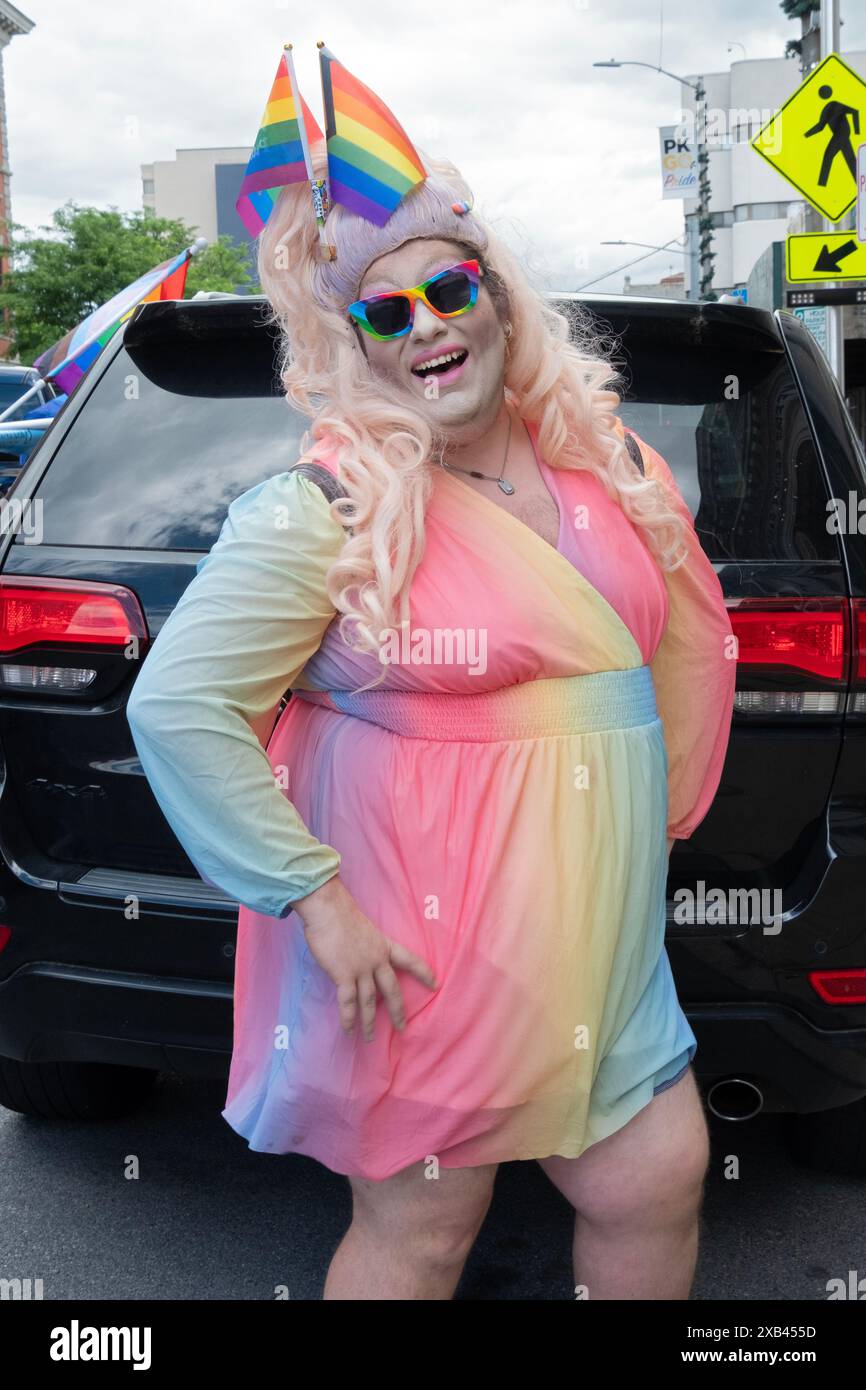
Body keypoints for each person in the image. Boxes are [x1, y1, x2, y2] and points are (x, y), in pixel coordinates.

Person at [125, 138, 736, 1301]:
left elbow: (680, 641)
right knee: (424, 1227)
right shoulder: (331, 505)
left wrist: (656, 816)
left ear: (497, 299)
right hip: (425, 937)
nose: (423, 326)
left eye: (447, 290)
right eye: (384, 310)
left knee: (652, 1180)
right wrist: (319, 900)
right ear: (354, 344)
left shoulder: (606, 468)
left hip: (599, 935)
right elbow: (185, 703)